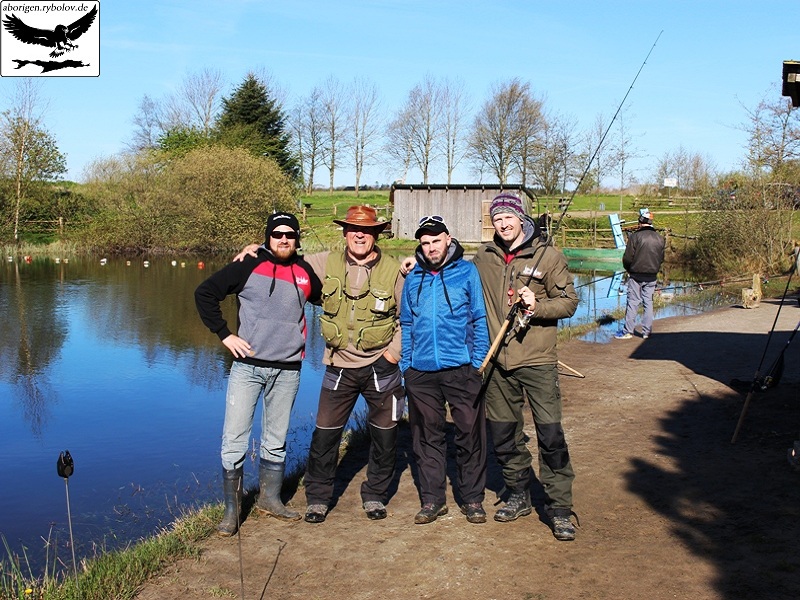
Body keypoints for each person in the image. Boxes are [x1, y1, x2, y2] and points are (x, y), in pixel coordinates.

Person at [239, 205, 405, 523]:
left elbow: (408, 319)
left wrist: (392, 355)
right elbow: (282, 262)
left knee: (385, 435)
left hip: (381, 365)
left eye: (367, 230)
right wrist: (258, 250)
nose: (360, 235)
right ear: (344, 232)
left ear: (376, 234)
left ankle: (375, 495)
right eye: (354, 229)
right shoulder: (321, 262)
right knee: (325, 435)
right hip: (338, 365)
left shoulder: (395, 270)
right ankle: (318, 497)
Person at [195, 212, 322, 536]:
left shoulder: (305, 271)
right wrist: (225, 334)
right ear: (268, 236)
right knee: (234, 439)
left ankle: (270, 499)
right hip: (248, 368)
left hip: (288, 369)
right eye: (277, 234)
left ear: (297, 239)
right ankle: (231, 511)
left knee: (276, 440)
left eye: (290, 235)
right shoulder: (248, 265)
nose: (283, 239)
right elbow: (205, 293)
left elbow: (330, 295)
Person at [472, 192, 580, 541]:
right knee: (503, 435)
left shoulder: (549, 256)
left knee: (550, 435)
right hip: (496, 362)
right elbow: (448, 265)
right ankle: (518, 492)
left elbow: (569, 303)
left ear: (522, 218)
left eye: (509, 217)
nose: (502, 223)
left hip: (536, 360)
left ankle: (560, 508)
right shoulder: (484, 257)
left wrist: (537, 305)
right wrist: (412, 263)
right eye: (497, 218)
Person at [400, 216, 490, 525]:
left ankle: (472, 499)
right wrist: (406, 365)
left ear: (448, 239)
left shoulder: (467, 272)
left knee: (469, 434)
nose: (430, 247)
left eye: (435, 240)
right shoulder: (413, 278)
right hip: (421, 373)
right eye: (424, 243)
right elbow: (407, 323)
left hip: (462, 369)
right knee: (426, 438)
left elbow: (479, 317)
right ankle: (433, 500)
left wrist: (477, 362)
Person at [615, 208, 665, 340]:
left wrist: (629, 269)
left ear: (641, 221)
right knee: (648, 303)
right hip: (652, 276)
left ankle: (628, 331)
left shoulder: (635, 237)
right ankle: (646, 332)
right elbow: (661, 258)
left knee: (633, 302)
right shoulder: (660, 238)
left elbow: (627, 258)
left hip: (636, 275)